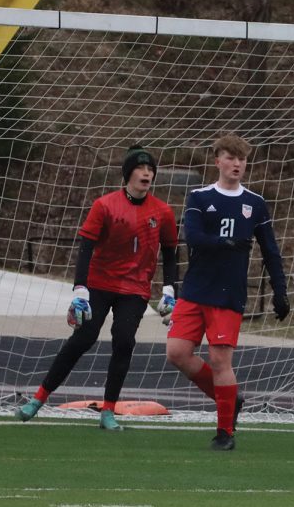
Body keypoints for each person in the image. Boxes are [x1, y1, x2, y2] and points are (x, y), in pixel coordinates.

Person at [16, 146, 178, 430]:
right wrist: (80, 290)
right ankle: (38, 398)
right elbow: (86, 247)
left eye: (151, 169)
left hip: (135, 289)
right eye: (141, 168)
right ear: (128, 173)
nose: (147, 173)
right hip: (100, 284)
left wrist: (170, 290)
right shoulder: (104, 205)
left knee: (125, 342)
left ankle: (108, 411)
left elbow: (170, 252)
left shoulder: (162, 212)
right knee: (82, 339)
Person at [164, 134, 290, 451]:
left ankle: (225, 432)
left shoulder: (255, 204)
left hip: (228, 294)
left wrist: (280, 291)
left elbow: (270, 251)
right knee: (177, 353)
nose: (236, 164)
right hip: (195, 289)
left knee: (221, 362)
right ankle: (231, 401)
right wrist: (225, 243)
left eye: (242, 158)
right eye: (230, 157)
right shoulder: (199, 196)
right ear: (216, 160)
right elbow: (192, 236)